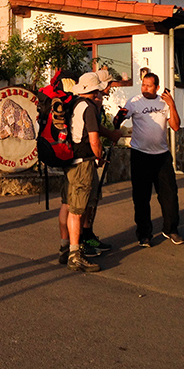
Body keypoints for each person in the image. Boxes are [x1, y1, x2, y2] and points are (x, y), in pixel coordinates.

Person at [58, 72, 120, 273]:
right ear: (95, 90)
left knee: (71, 206)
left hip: (71, 161)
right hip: (83, 163)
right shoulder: (90, 108)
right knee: (77, 210)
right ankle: (75, 255)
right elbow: (93, 139)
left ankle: (68, 248)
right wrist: (100, 157)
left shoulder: (76, 104)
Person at [118, 72, 183, 247]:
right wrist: (119, 116)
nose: (145, 88)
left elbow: (176, 127)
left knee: (169, 195)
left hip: (161, 156)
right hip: (140, 155)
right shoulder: (135, 101)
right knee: (141, 197)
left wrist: (172, 104)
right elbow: (121, 118)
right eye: (143, 85)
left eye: (149, 86)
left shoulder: (164, 102)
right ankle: (144, 234)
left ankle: (171, 230)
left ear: (157, 87)